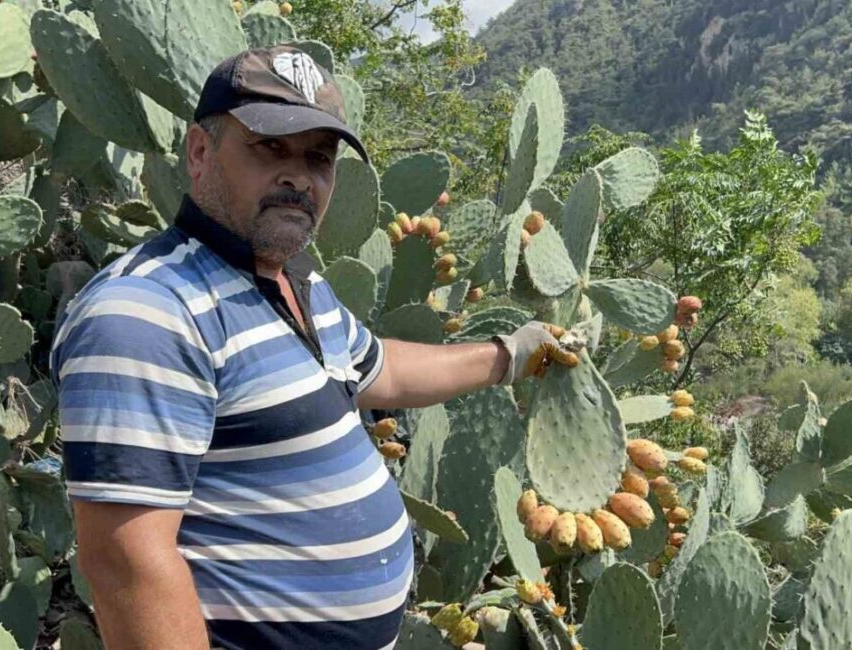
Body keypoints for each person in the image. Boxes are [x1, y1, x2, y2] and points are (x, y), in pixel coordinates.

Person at [50, 46, 576, 650]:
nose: (299, 176)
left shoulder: (292, 280)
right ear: (200, 152)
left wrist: (508, 354)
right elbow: (126, 563)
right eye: (270, 148)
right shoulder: (147, 313)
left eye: (318, 158)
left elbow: (380, 369)